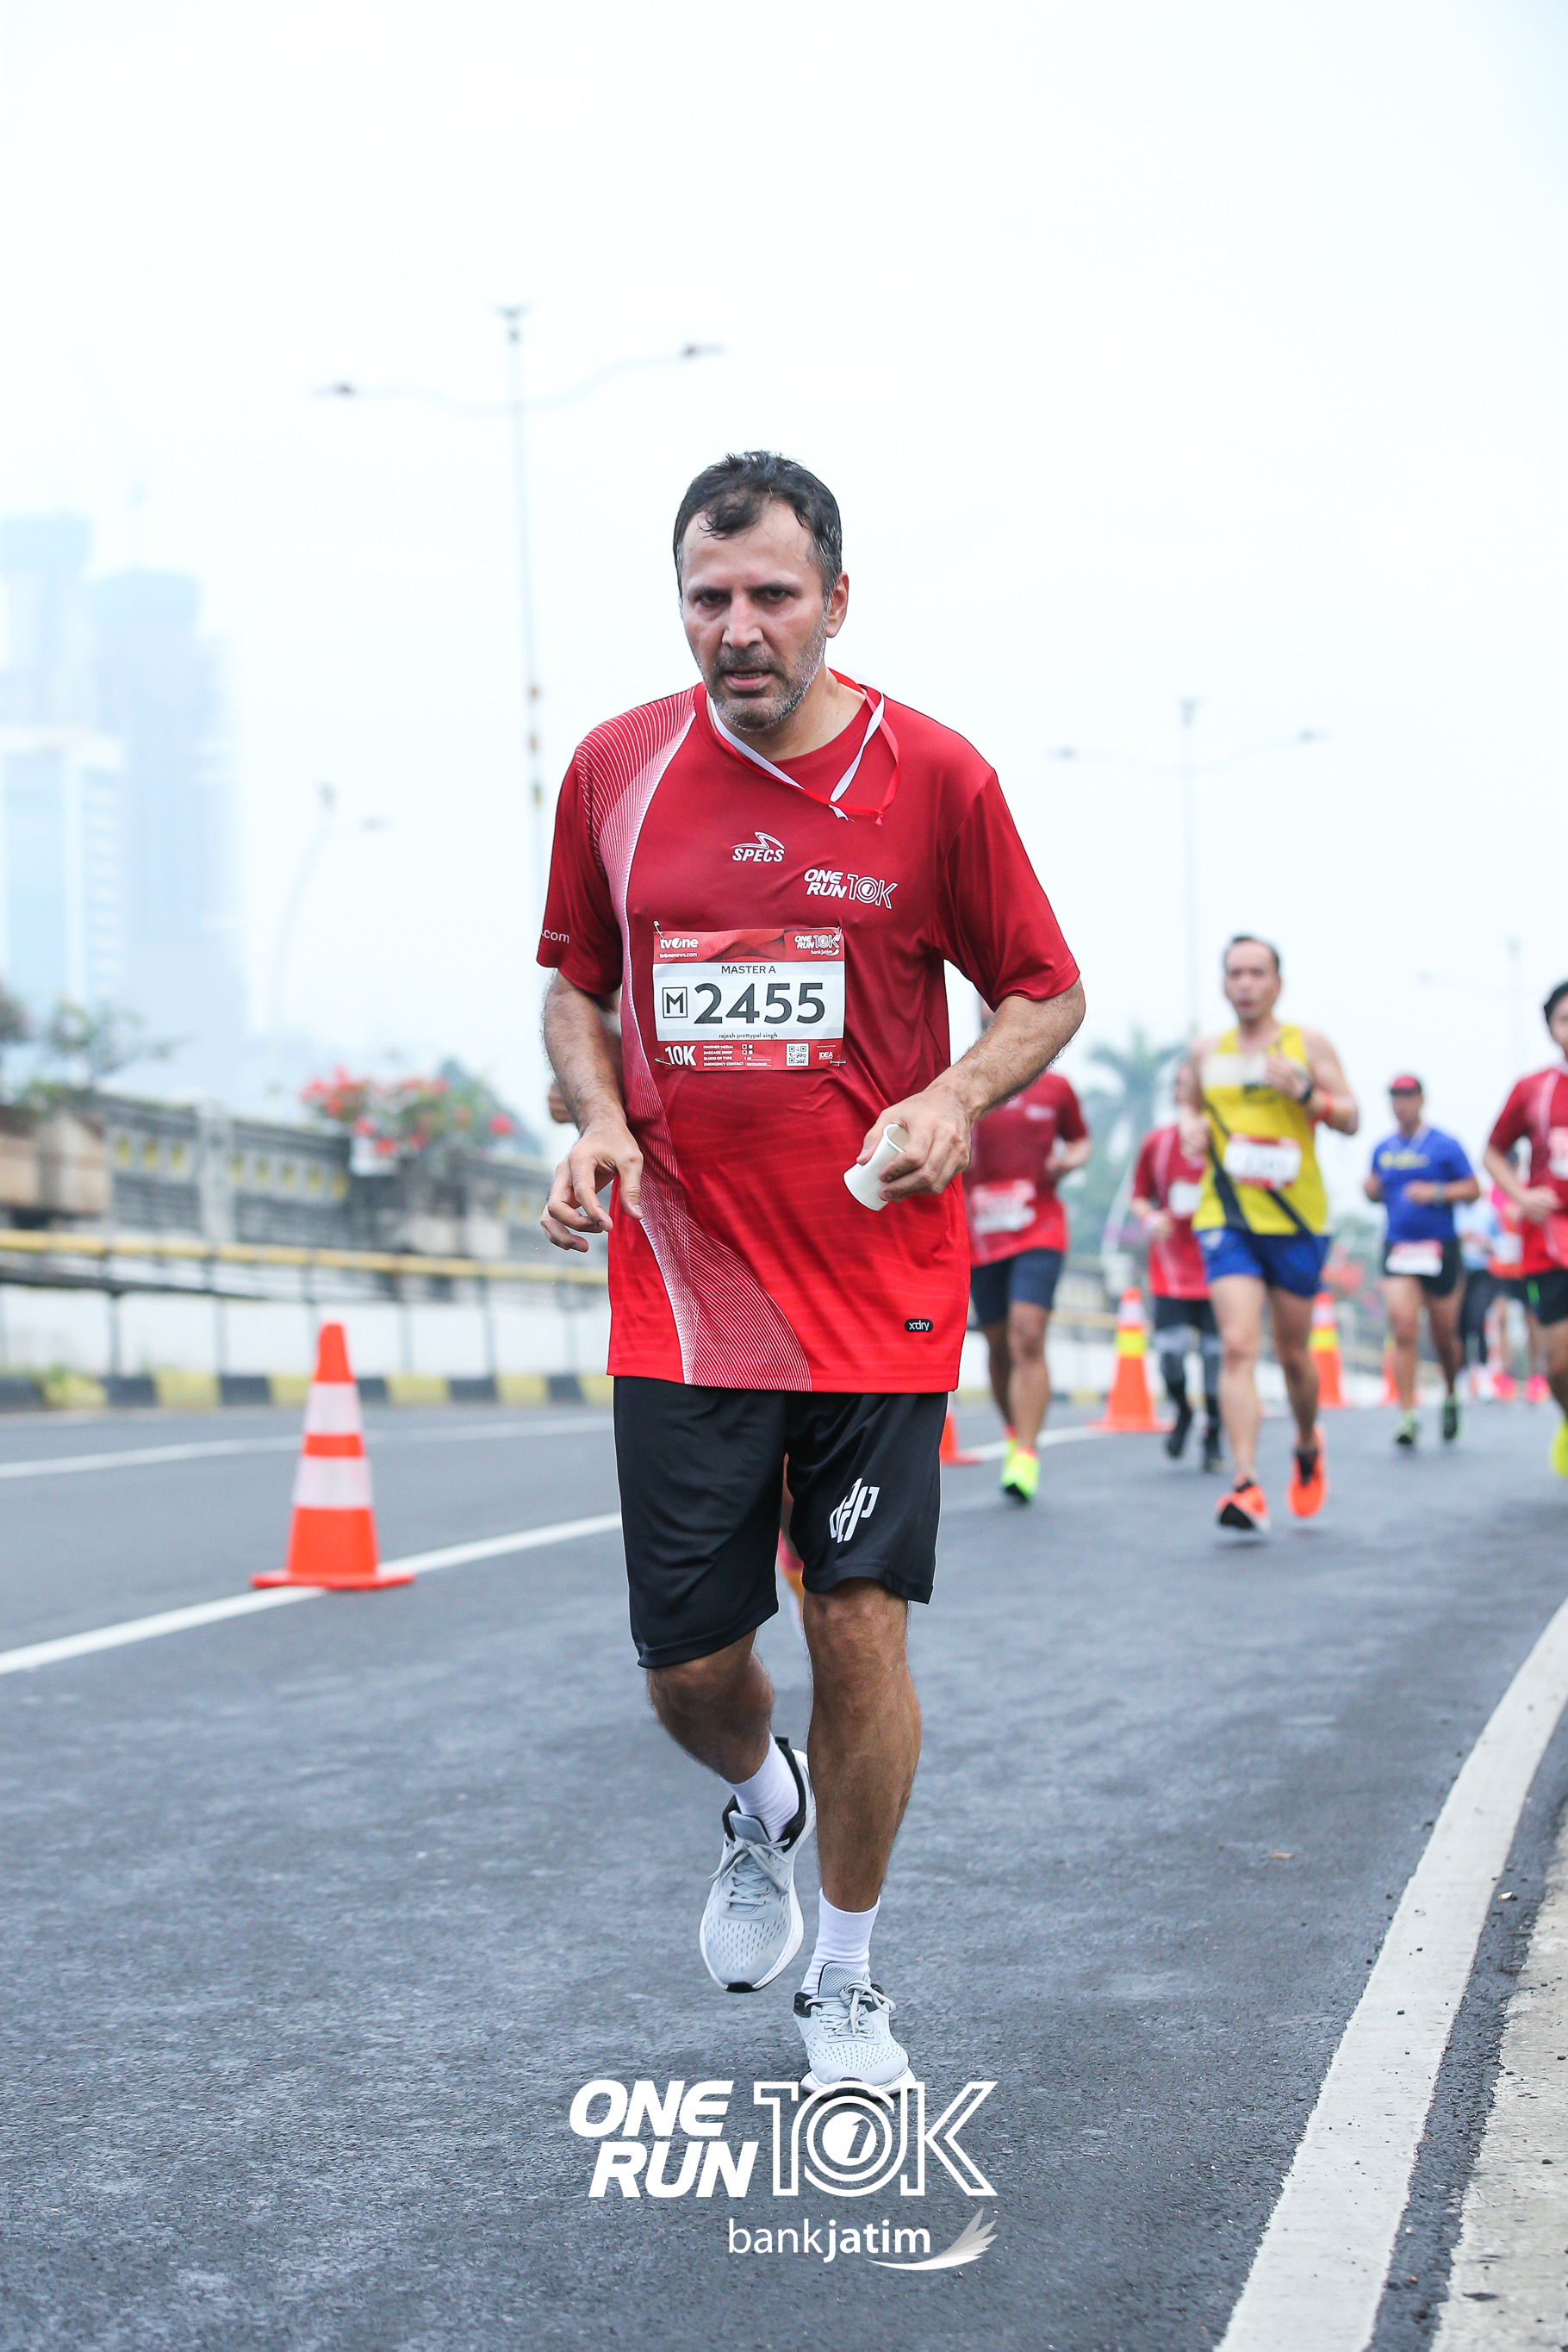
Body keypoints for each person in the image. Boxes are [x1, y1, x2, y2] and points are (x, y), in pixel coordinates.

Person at [537, 451, 1084, 2090]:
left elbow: (1044, 989)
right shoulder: (617, 768)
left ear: (836, 600)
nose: (740, 628)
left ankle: (844, 1981)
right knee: (688, 1672)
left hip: (875, 1292)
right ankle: (760, 1797)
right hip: (686, 1293)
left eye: (772, 595)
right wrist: (597, 1113)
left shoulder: (935, 777)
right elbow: (575, 983)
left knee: (858, 1630)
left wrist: (954, 1094)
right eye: (709, 598)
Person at [1177, 936, 1359, 1533]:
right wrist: (1189, 1128)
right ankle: (1246, 1483)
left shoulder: (1307, 1044)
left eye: (1257, 973)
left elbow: (1351, 1116)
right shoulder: (1207, 1051)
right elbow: (1187, 1104)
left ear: (1277, 983)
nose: (1246, 983)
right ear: (1224, 984)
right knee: (1236, 1344)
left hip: (1295, 1219)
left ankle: (1306, 1439)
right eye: (1235, 973)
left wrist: (1308, 1094)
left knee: (1293, 1355)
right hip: (1227, 1215)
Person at [961, 1011, 1091, 1501]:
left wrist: (1069, 1161)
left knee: (1027, 1334)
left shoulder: (1056, 1088)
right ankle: (1016, 1432)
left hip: (1039, 1226)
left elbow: (1080, 1140)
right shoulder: (962, 1082)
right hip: (980, 1234)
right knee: (998, 1346)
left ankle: (1027, 1452)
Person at [1363, 1075, 1478, 1447]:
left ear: (1422, 1100)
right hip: (1399, 1247)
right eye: (1396, 1097)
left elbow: (1474, 1189)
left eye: (1408, 1097)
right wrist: (1370, 1191)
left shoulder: (1445, 1144)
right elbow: (1376, 1190)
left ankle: (1450, 1395)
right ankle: (1407, 1414)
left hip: (1440, 1249)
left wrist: (1436, 1192)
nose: (1402, 1104)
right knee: (1403, 1327)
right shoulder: (1383, 1149)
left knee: (1444, 1335)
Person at [1482, 980, 1568, 1476]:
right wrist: (1519, 1194)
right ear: (1552, 1028)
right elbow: (1493, 1151)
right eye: (1564, 1019)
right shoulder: (1534, 1089)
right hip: (1550, 1241)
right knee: (1560, 1365)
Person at [1129, 1119, 1223, 1471]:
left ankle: (1213, 1433)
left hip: (1219, 1268)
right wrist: (1151, 1219)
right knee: (1171, 1350)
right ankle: (1183, 1409)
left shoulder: (1228, 1140)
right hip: (1170, 1270)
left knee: (1215, 1356)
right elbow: (1139, 1197)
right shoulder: (1158, 1143)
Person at [1454, 1191, 1501, 1397]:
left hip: (1482, 1273)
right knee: (1459, 1324)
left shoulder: (1488, 1212)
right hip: (1459, 1273)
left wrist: (1486, 1243)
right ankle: (1462, 1375)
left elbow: (1501, 1242)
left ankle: (1483, 1375)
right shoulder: (1454, 1211)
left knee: (1478, 1319)